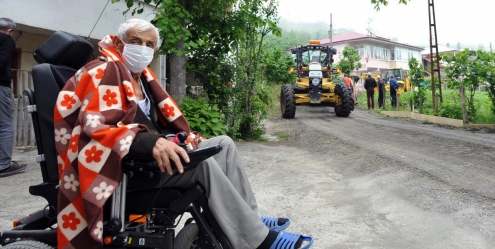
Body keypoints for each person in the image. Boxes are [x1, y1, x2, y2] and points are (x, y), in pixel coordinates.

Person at [53, 19, 312, 249]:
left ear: (154, 49)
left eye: (149, 43)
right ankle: (258, 242)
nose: (142, 47)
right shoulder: (103, 71)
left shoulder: (141, 78)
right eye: (135, 41)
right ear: (120, 44)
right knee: (201, 165)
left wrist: (174, 140)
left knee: (224, 144)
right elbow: (97, 127)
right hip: (122, 170)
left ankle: (250, 220)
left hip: (146, 162)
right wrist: (151, 143)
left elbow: (155, 124)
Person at [0, 18, 26, 178]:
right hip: (0, 86)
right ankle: (3, 165)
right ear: (10, 31)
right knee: (6, 125)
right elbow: (2, 61)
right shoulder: (6, 39)